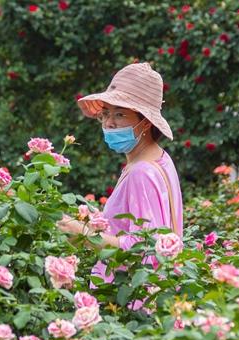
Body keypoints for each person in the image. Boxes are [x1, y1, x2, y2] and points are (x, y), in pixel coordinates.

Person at [57, 62, 183, 283]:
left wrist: (80, 231)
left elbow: (141, 250)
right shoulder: (160, 159)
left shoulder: (141, 173)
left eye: (120, 115)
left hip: (129, 302)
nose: (109, 123)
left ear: (145, 121)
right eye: (105, 114)